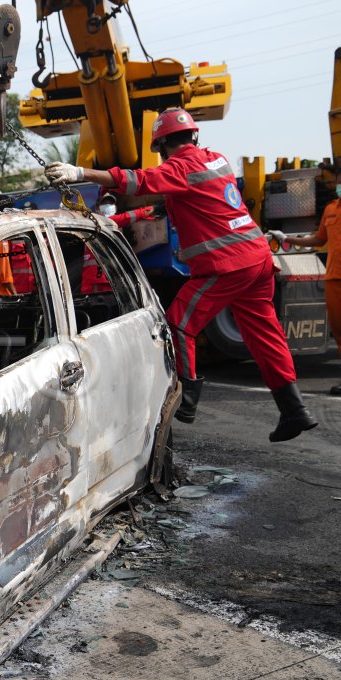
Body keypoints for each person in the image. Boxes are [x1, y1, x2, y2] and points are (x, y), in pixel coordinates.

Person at [47, 107, 317, 442]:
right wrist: (115, 222)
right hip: (258, 261)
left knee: (178, 324)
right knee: (264, 336)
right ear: (193, 136)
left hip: (226, 265)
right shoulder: (215, 160)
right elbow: (162, 207)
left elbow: (139, 181)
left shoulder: (181, 168)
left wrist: (79, 172)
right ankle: (294, 410)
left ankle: (186, 399)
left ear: (161, 146)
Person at [272, 182, 341, 395]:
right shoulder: (330, 209)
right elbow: (319, 239)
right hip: (334, 278)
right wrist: (287, 238)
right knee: (339, 331)